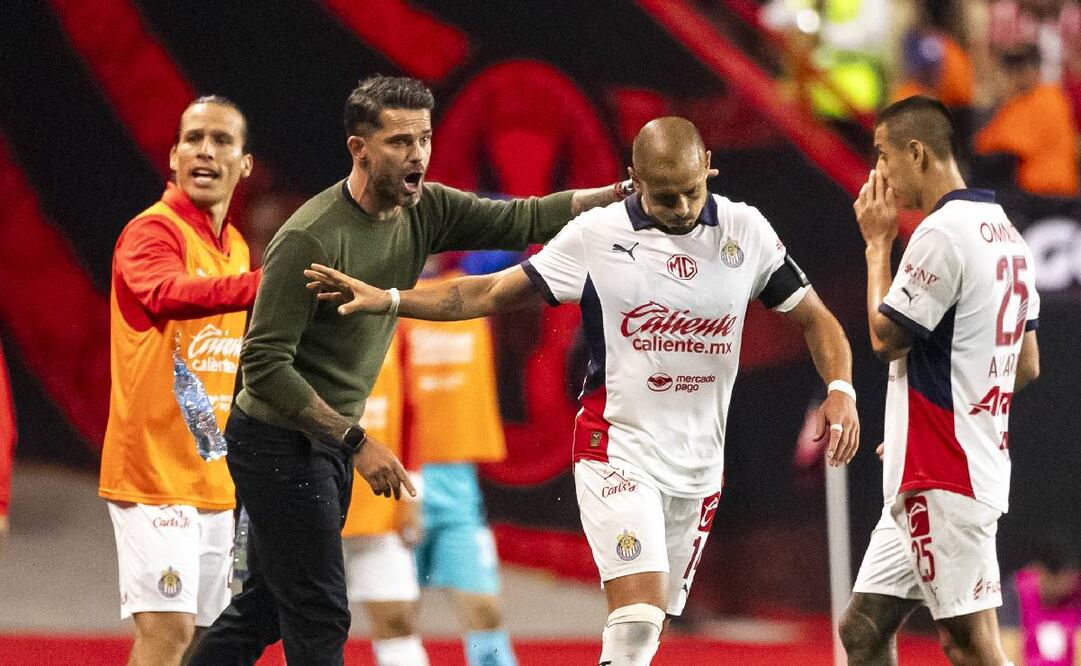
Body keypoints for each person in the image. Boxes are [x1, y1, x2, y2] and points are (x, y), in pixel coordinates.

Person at [305, 115, 861, 666]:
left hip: (698, 464)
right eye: (663, 197)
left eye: (691, 193)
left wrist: (841, 388)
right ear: (632, 178)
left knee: (649, 627)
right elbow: (487, 293)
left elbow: (816, 319)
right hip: (615, 448)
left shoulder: (747, 231)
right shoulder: (598, 236)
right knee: (638, 620)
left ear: (709, 168)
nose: (681, 210)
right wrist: (392, 300)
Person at [188, 75, 635, 666]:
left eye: (423, 139)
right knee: (320, 611)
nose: (418, 154)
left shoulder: (425, 210)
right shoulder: (309, 237)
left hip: (322, 440)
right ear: (359, 149)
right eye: (400, 142)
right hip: (277, 442)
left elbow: (525, 218)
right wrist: (357, 442)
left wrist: (617, 195)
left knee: (264, 607)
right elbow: (265, 367)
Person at [840, 95, 1042, 665]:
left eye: (882, 155)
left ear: (916, 152)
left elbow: (886, 338)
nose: (878, 172)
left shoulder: (941, 233)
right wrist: (912, 428)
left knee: (969, 644)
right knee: (863, 628)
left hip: (944, 471)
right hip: (942, 461)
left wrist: (878, 245)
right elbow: (1024, 365)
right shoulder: (1007, 234)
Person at [98, 96, 260, 665]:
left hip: (212, 480)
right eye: (193, 139)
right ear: (172, 156)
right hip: (152, 475)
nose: (205, 151)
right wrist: (267, 285)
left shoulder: (236, 248)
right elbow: (167, 292)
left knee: (199, 642)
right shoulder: (151, 232)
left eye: (221, 141)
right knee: (166, 634)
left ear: (244, 165)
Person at [401, 254, 518, 666]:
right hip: (395, 476)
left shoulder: (470, 286)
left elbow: (520, 236)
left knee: (485, 608)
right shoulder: (383, 297)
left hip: (455, 479)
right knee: (397, 616)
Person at [340, 334, 430, 666]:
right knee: (306, 630)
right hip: (312, 505)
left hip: (379, 506)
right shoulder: (297, 313)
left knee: (399, 620)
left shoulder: (396, 324)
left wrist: (411, 496)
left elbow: (409, 413)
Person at [1000, 532, 1081, 666]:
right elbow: (1009, 648)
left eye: (1067, 577)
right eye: (1053, 579)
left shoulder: (1077, 591)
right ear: (1039, 570)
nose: (1059, 586)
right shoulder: (1015, 591)